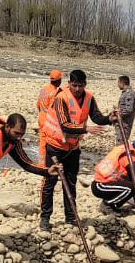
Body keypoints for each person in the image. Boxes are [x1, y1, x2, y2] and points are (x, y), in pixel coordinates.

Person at [0, 113, 62, 250]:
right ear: (7, 126)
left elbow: (26, 163)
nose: (19, 137)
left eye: (22, 134)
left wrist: (47, 171)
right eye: (17, 133)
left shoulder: (13, 142)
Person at [38, 69, 119, 228]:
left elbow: (96, 117)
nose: (77, 89)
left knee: (70, 182)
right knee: (50, 182)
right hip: (55, 146)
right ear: (69, 84)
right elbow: (65, 125)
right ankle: (45, 217)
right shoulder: (61, 98)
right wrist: (86, 129)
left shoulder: (89, 98)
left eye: (80, 86)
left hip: (72, 148)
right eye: (74, 85)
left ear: (85, 85)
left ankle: (71, 217)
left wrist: (109, 119)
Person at [91, 136, 135, 213]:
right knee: (132, 188)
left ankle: (111, 203)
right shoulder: (132, 161)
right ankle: (107, 204)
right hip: (101, 186)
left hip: (103, 184)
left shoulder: (126, 149)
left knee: (130, 186)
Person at [36, 69, 63, 162]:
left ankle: (41, 162)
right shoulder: (54, 93)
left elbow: (38, 104)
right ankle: (45, 164)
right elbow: (53, 110)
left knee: (42, 142)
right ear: (58, 80)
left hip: (41, 118)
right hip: (48, 122)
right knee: (49, 144)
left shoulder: (44, 89)